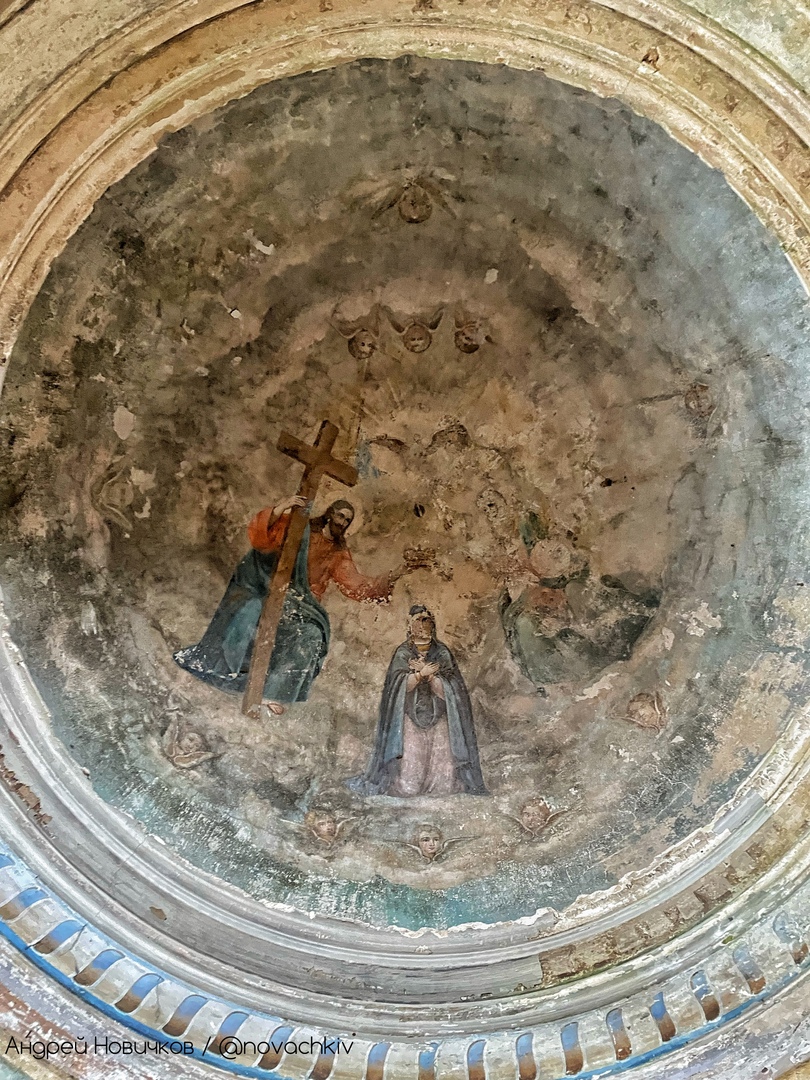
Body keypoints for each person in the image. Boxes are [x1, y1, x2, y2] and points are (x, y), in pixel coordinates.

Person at [174, 496, 411, 714]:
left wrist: (399, 572)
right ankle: (226, 668)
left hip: (301, 607)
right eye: (340, 515)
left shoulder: (337, 554)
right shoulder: (299, 528)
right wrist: (282, 506)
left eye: (347, 520)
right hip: (269, 590)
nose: (342, 522)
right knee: (251, 610)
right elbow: (262, 536)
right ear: (330, 513)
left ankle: (274, 692)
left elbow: (359, 587)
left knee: (312, 635)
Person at [349, 605, 487, 796]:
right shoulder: (403, 653)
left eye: (426, 620)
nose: (422, 625)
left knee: (443, 787)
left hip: (440, 720)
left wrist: (430, 677)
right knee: (408, 787)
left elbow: (454, 691)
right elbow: (396, 688)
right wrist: (420, 674)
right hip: (410, 719)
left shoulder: (442, 653)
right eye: (418, 621)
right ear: (409, 625)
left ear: (433, 625)